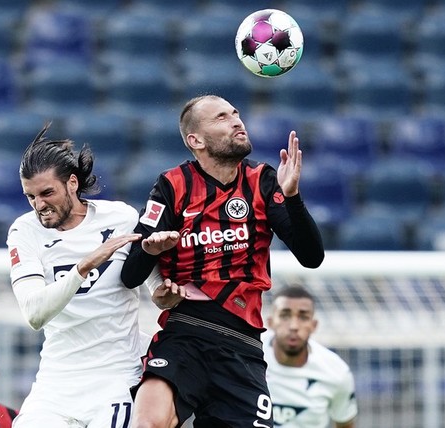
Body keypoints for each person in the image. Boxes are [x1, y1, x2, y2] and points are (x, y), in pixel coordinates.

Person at [120, 94, 325, 428]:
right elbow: (130, 276)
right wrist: (151, 250)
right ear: (195, 140)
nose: (236, 121)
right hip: (186, 333)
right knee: (148, 422)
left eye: (236, 113)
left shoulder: (262, 181)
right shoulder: (173, 186)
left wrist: (292, 198)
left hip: (242, 347)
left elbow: (312, 256)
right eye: (221, 117)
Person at [6, 124, 151, 427]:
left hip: (115, 378)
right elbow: (34, 314)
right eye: (30, 196)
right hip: (56, 383)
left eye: (47, 193)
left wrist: (166, 291)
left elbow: (153, 281)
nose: (39, 206)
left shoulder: (121, 217)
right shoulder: (24, 231)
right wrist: (83, 268)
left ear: (72, 183)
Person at [265, 285, 357, 428]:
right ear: (270, 322)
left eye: (303, 317)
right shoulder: (247, 357)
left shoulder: (336, 372)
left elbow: (345, 424)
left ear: (313, 325)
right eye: (285, 315)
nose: (294, 326)